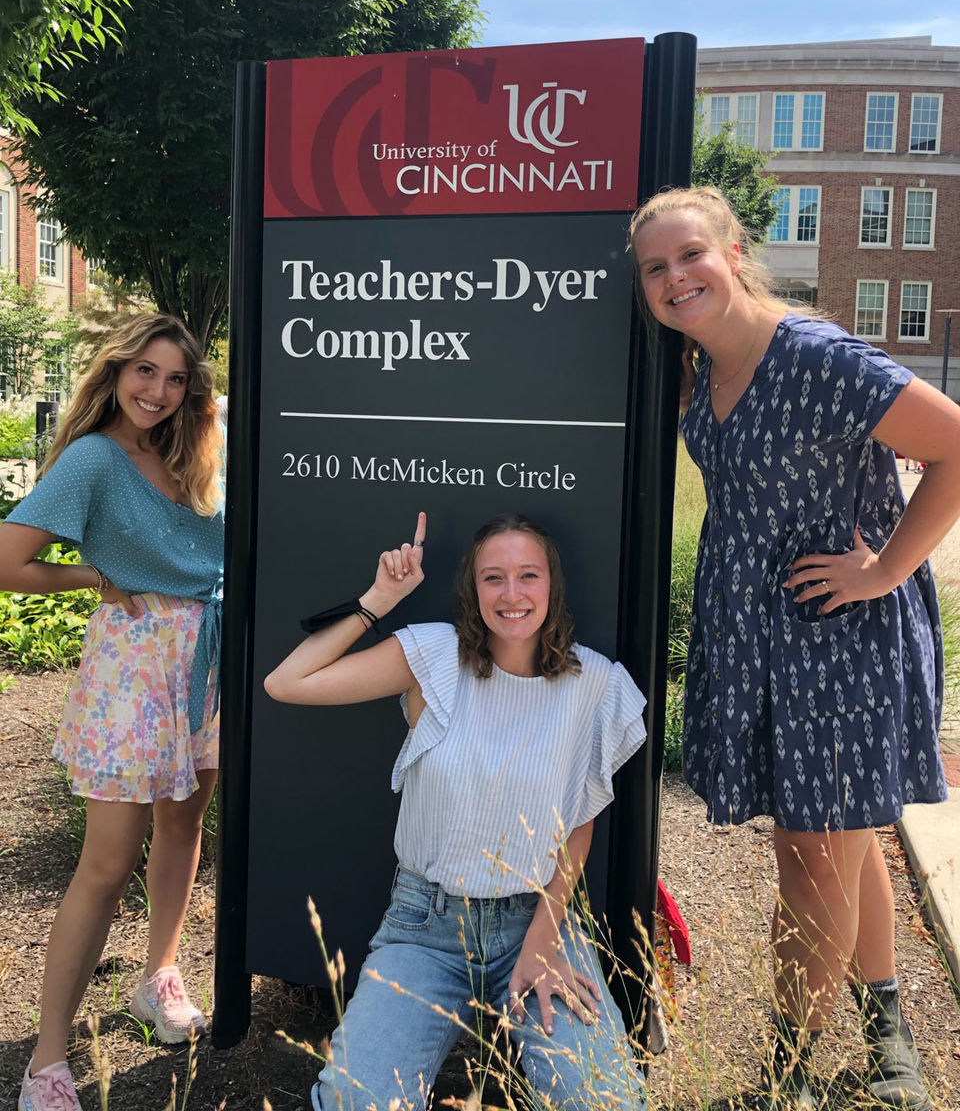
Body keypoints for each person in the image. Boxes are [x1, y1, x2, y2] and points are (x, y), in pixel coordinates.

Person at [631, 185, 960, 1111]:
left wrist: (885, 571)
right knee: (843, 846)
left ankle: (786, 1074)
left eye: (690, 254)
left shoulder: (815, 357)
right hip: (757, 635)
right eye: (655, 268)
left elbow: (956, 448)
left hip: (839, 639)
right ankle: (889, 1025)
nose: (674, 277)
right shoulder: (699, 369)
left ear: (733, 252)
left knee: (809, 861)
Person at [265, 512, 648, 1111]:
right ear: (473, 588)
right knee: (354, 1102)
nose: (513, 594)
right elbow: (287, 682)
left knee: (605, 1102)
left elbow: (577, 830)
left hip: (536, 921)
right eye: (494, 577)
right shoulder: (436, 657)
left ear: (553, 585)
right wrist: (378, 599)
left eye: (529, 575)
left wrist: (544, 942)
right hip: (426, 930)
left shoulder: (591, 683)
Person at [1, 313, 225, 1111]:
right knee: (105, 861)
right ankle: (48, 1061)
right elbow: (7, 561)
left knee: (184, 823)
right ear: (117, 370)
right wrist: (90, 580)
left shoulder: (196, 451)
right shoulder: (96, 457)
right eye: (145, 372)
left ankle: (157, 973)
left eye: (175, 379)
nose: (158, 392)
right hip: (135, 662)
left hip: (206, 655)